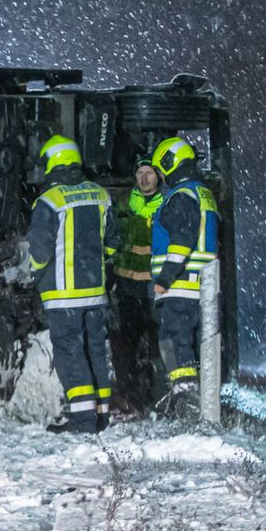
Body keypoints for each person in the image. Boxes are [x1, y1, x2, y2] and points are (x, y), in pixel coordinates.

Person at [27, 134, 117, 433]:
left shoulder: (49, 201)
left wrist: (34, 274)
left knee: (70, 353)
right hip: (96, 293)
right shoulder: (101, 195)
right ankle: (102, 415)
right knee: (95, 351)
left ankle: (82, 419)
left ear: (54, 162)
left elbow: (39, 251)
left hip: (63, 295)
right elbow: (113, 245)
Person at [147, 135, 219, 419]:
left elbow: (181, 242)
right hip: (204, 287)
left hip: (181, 286)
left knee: (175, 341)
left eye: (161, 169)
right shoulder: (203, 194)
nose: (161, 176)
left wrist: (165, 278)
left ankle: (186, 403)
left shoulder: (181, 197)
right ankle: (196, 401)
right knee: (194, 344)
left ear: (169, 163)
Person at [109, 160, 163, 415]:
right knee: (124, 344)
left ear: (157, 176)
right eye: (140, 173)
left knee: (158, 344)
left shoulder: (166, 203)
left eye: (148, 174)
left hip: (155, 286)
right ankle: (127, 394)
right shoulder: (123, 203)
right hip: (127, 285)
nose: (144, 179)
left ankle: (159, 395)